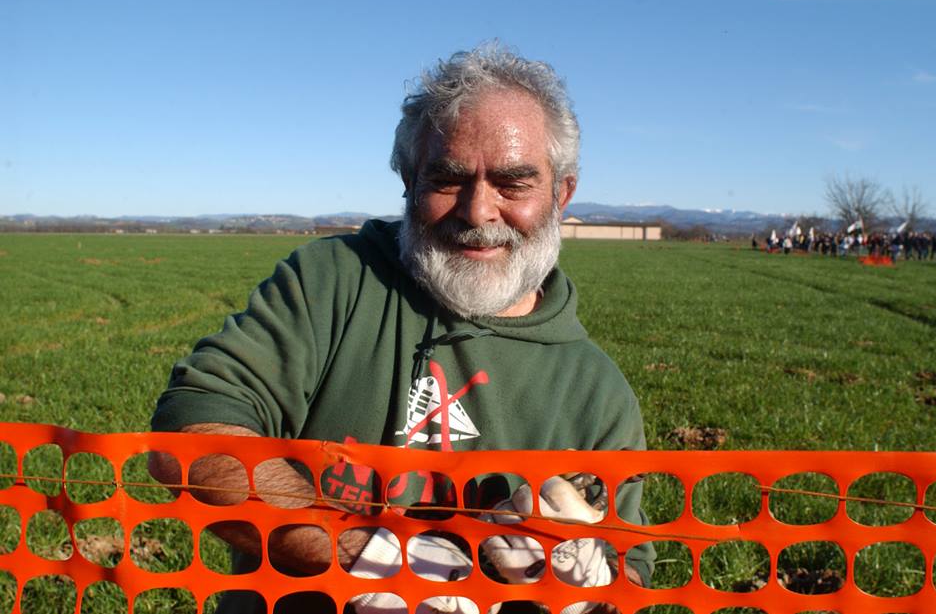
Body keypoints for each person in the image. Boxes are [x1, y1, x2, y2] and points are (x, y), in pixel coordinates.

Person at [150, 44, 653, 614]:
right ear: (408, 181)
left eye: (514, 184)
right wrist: (369, 559)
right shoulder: (333, 283)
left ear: (561, 195)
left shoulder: (598, 397)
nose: (478, 211)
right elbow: (189, 435)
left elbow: (628, 583)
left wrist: (587, 592)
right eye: (447, 178)